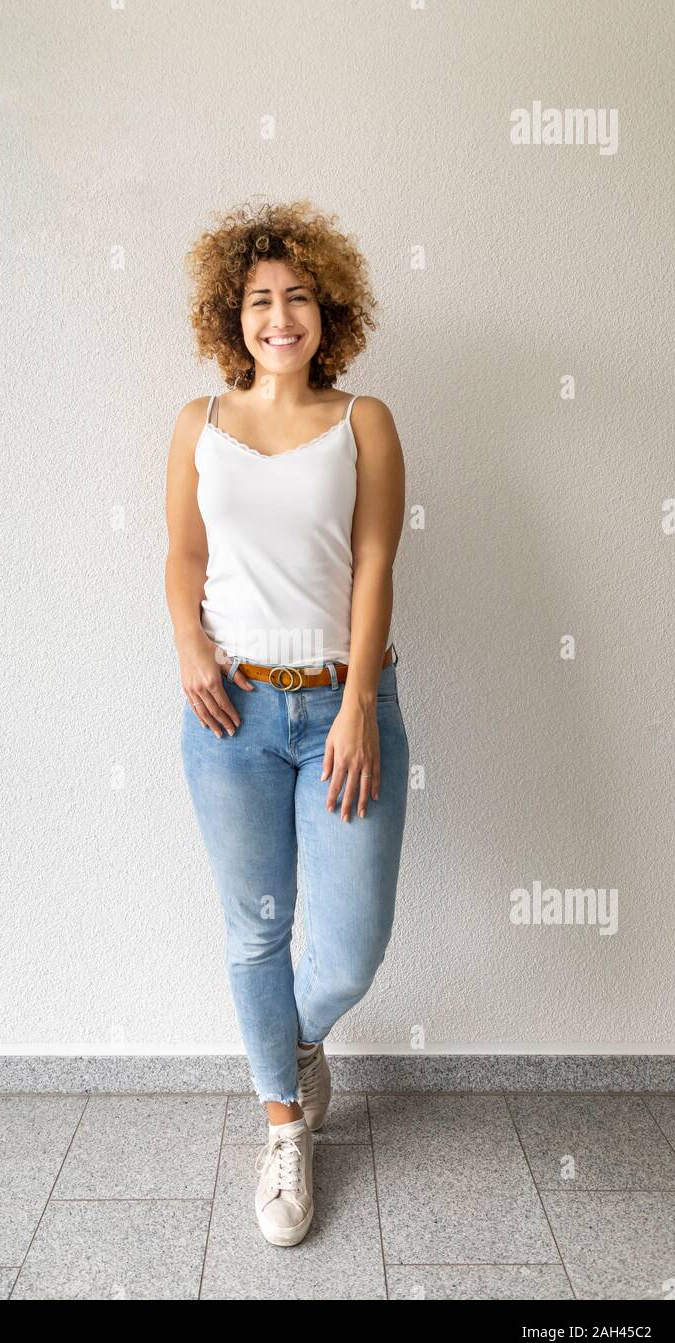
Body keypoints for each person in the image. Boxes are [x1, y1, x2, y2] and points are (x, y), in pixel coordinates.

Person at [164, 199, 409, 1247]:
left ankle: (289, 1047)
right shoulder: (196, 425)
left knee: (347, 951)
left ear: (326, 310)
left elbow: (372, 563)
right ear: (233, 314)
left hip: (343, 708)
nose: (279, 316)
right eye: (259, 299)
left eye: (296, 297)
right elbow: (181, 557)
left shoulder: (364, 421)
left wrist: (355, 700)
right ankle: (283, 1124)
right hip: (230, 712)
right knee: (257, 930)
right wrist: (185, 645)